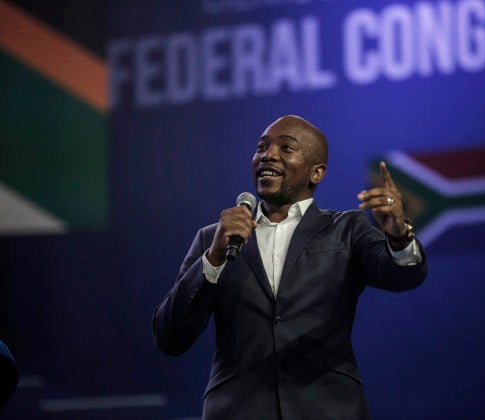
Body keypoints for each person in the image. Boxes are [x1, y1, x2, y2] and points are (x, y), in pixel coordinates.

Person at [153, 115, 427, 419]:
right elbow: (170, 337)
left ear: (316, 173)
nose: (267, 155)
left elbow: (403, 275)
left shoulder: (346, 230)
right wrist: (214, 258)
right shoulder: (214, 238)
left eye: (286, 148)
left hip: (328, 410)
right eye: (261, 147)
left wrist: (399, 235)